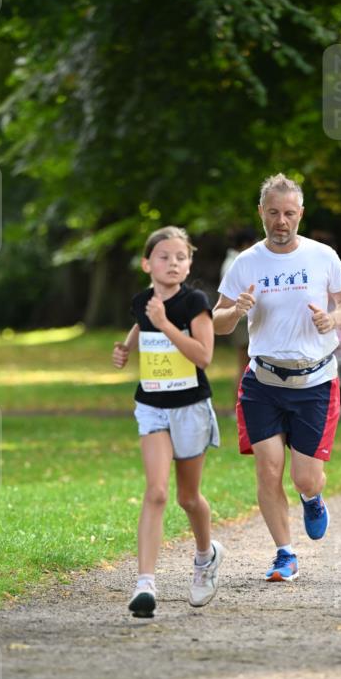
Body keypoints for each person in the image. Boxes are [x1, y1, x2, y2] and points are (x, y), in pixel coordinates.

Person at [213, 173, 341, 582]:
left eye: (289, 213)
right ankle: (284, 553)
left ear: (300, 214)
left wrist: (335, 317)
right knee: (268, 467)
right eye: (273, 213)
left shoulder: (322, 256)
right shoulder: (246, 263)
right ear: (261, 212)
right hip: (263, 383)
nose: (281, 221)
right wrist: (235, 311)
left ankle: (312, 497)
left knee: (304, 475)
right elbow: (218, 322)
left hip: (314, 382)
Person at [113, 226, 224, 617]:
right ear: (147, 264)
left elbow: (203, 356)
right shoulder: (143, 302)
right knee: (156, 491)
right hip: (152, 406)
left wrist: (165, 325)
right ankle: (145, 584)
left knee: (187, 497)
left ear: (189, 263)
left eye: (181, 257)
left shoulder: (194, 302)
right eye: (164, 257)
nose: (173, 263)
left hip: (190, 406)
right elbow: (140, 322)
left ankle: (205, 556)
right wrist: (127, 347)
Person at [220, 227, 258, 395]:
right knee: (245, 365)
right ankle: (239, 402)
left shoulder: (234, 260)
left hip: (241, 319)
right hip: (241, 320)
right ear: (245, 244)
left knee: (244, 364)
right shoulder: (236, 263)